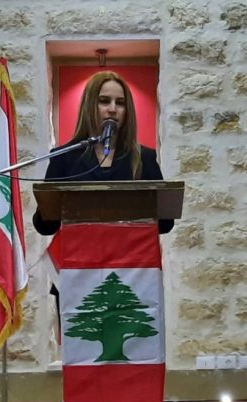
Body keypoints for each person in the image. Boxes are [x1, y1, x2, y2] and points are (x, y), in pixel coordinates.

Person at [33, 70, 174, 316]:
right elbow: (45, 226)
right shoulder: (65, 158)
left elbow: (164, 223)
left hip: (133, 278)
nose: (112, 109)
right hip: (78, 276)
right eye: (104, 101)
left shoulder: (144, 158)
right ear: (90, 105)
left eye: (120, 103)